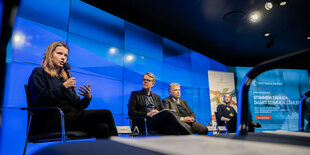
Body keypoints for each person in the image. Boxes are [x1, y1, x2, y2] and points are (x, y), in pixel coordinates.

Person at [28, 41, 118, 138]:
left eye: (65, 55)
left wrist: (87, 98)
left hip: (69, 117)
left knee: (102, 127)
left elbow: (78, 106)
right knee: (106, 113)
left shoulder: (64, 78)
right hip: (51, 119)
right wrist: (63, 87)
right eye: (59, 53)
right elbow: (41, 101)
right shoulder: (39, 72)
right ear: (50, 54)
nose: (63, 57)